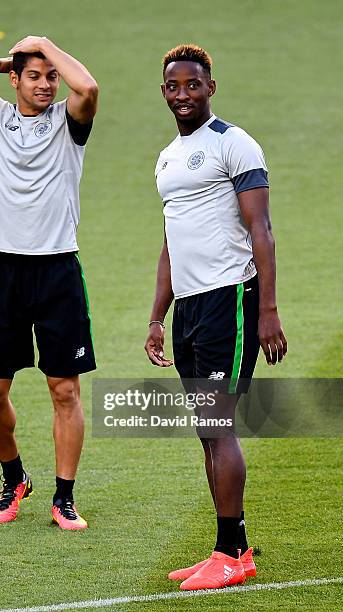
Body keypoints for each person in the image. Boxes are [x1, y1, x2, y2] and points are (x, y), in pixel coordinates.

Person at [144, 44, 287, 589]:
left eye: (193, 85)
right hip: (191, 307)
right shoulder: (166, 157)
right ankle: (234, 548)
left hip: (230, 300)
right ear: (163, 92)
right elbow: (170, 241)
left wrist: (268, 311)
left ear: (210, 87)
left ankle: (231, 553)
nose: (183, 95)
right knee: (208, 430)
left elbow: (262, 232)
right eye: (173, 87)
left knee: (219, 425)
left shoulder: (235, 144)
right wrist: (159, 315)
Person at [0, 35, 98, 529]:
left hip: (57, 269)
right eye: (32, 75)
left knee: (64, 390)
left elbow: (89, 86)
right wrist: (9, 58)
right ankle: (14, 479)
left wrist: (45, 46)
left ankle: (64, 497)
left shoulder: (68, 122)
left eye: (50, 75)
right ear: (13, 80)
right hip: (5, 271)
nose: (44, 84)